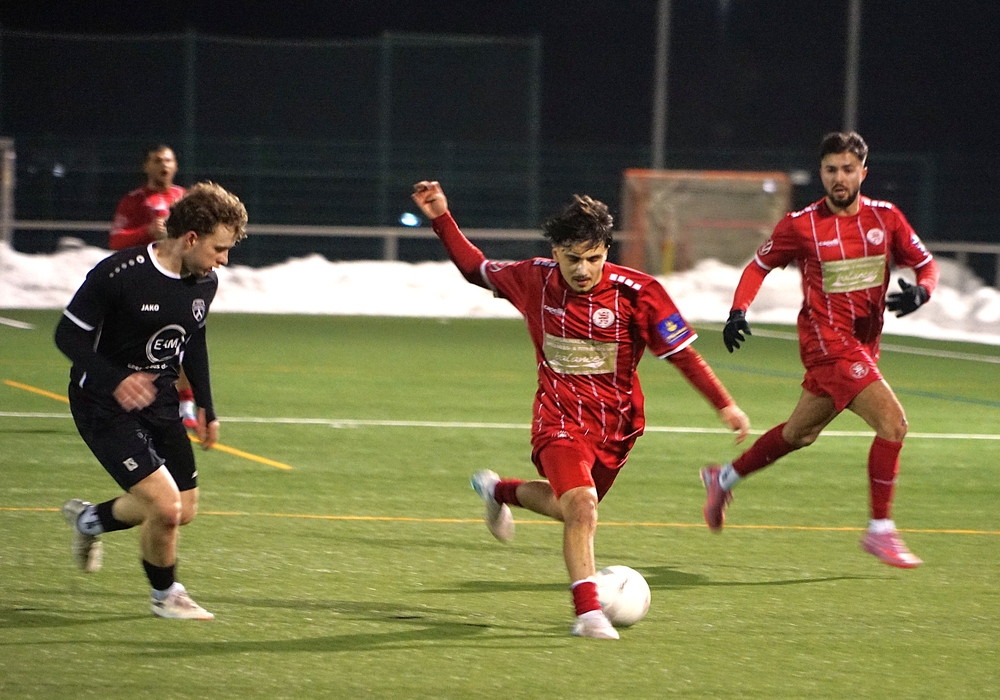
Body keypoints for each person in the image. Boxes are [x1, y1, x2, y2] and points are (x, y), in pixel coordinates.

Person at [411, 180, 750, 640]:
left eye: (594, 258)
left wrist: (725, 404)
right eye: (572, 259)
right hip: (557, 420)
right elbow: (476, 269)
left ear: (607, 250)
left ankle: (498, 490)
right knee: (583, 507)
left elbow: (682, 355)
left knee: (567, 508)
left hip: (616, 429)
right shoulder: (533, 278)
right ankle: (588, 614)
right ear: (555, 252)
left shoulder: (640, 292)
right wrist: (441, 218)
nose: (584, 269)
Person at [702, 131, 939, 569]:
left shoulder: (886, 218)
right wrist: (738, 310)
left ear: (863, 173)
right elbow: (758, 266)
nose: (839, 178)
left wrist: (922, 291)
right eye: (831, 169)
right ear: (821, 173)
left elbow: (925, 264)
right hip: (827, 346)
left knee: (799, 434)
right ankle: (880, 530)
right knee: (894, 425)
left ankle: (724, 477)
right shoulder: (801, 225)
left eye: (848, 169)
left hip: (862, 346)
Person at [56, 182, 248, 619]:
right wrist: (116, 379)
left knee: (183, 509)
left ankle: (88, 520)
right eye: (220, 248)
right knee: (165, 506)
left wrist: (206, 404)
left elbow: (192, 339)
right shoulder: (118, 274)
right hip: (102, 402)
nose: (224, 260)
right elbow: (67, 335)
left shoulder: (205, 281)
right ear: (191, 238)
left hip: (158, 399)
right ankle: (166, 596)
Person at [109, 144, 199, 429]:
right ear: (146, 166)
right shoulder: (133, 201)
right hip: (141, 285)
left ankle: (186, 405)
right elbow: (116, 240)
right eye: (158, 160)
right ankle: (126, 399)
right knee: (135, 346)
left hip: (178, 283)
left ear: (176, 166)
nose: (164, 165)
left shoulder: (185, 198)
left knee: (182, 342)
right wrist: (145, 231)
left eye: (169, 160)